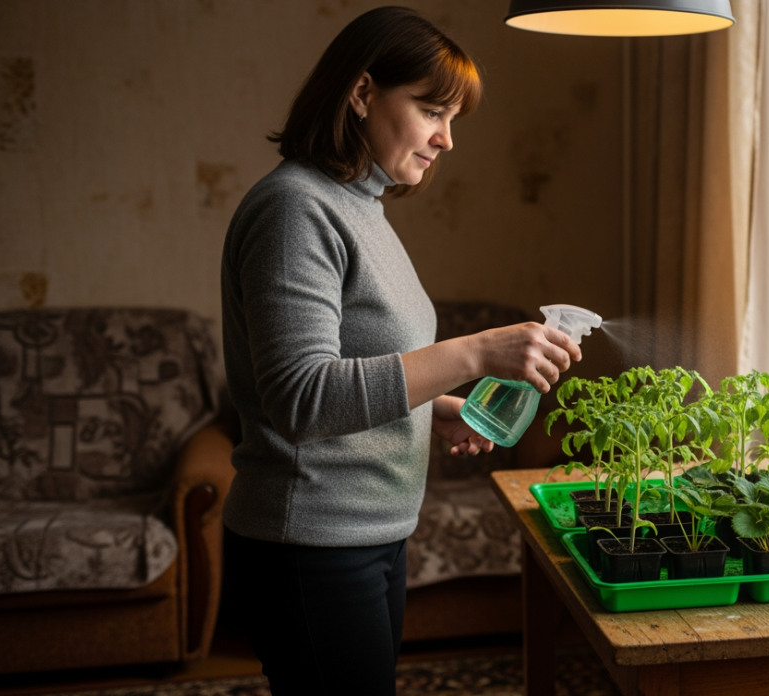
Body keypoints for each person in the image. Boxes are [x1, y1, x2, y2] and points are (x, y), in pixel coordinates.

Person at [218, 7, 580, 694]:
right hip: (311, 540)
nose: (446, 139)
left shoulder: (361, 206)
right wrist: (474, 354)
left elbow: (354, 364)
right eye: (431, 111)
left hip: (370, 533)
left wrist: (431, 408)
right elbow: (300, 399)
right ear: (362, 93)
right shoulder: (296, 209)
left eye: (453, 119)